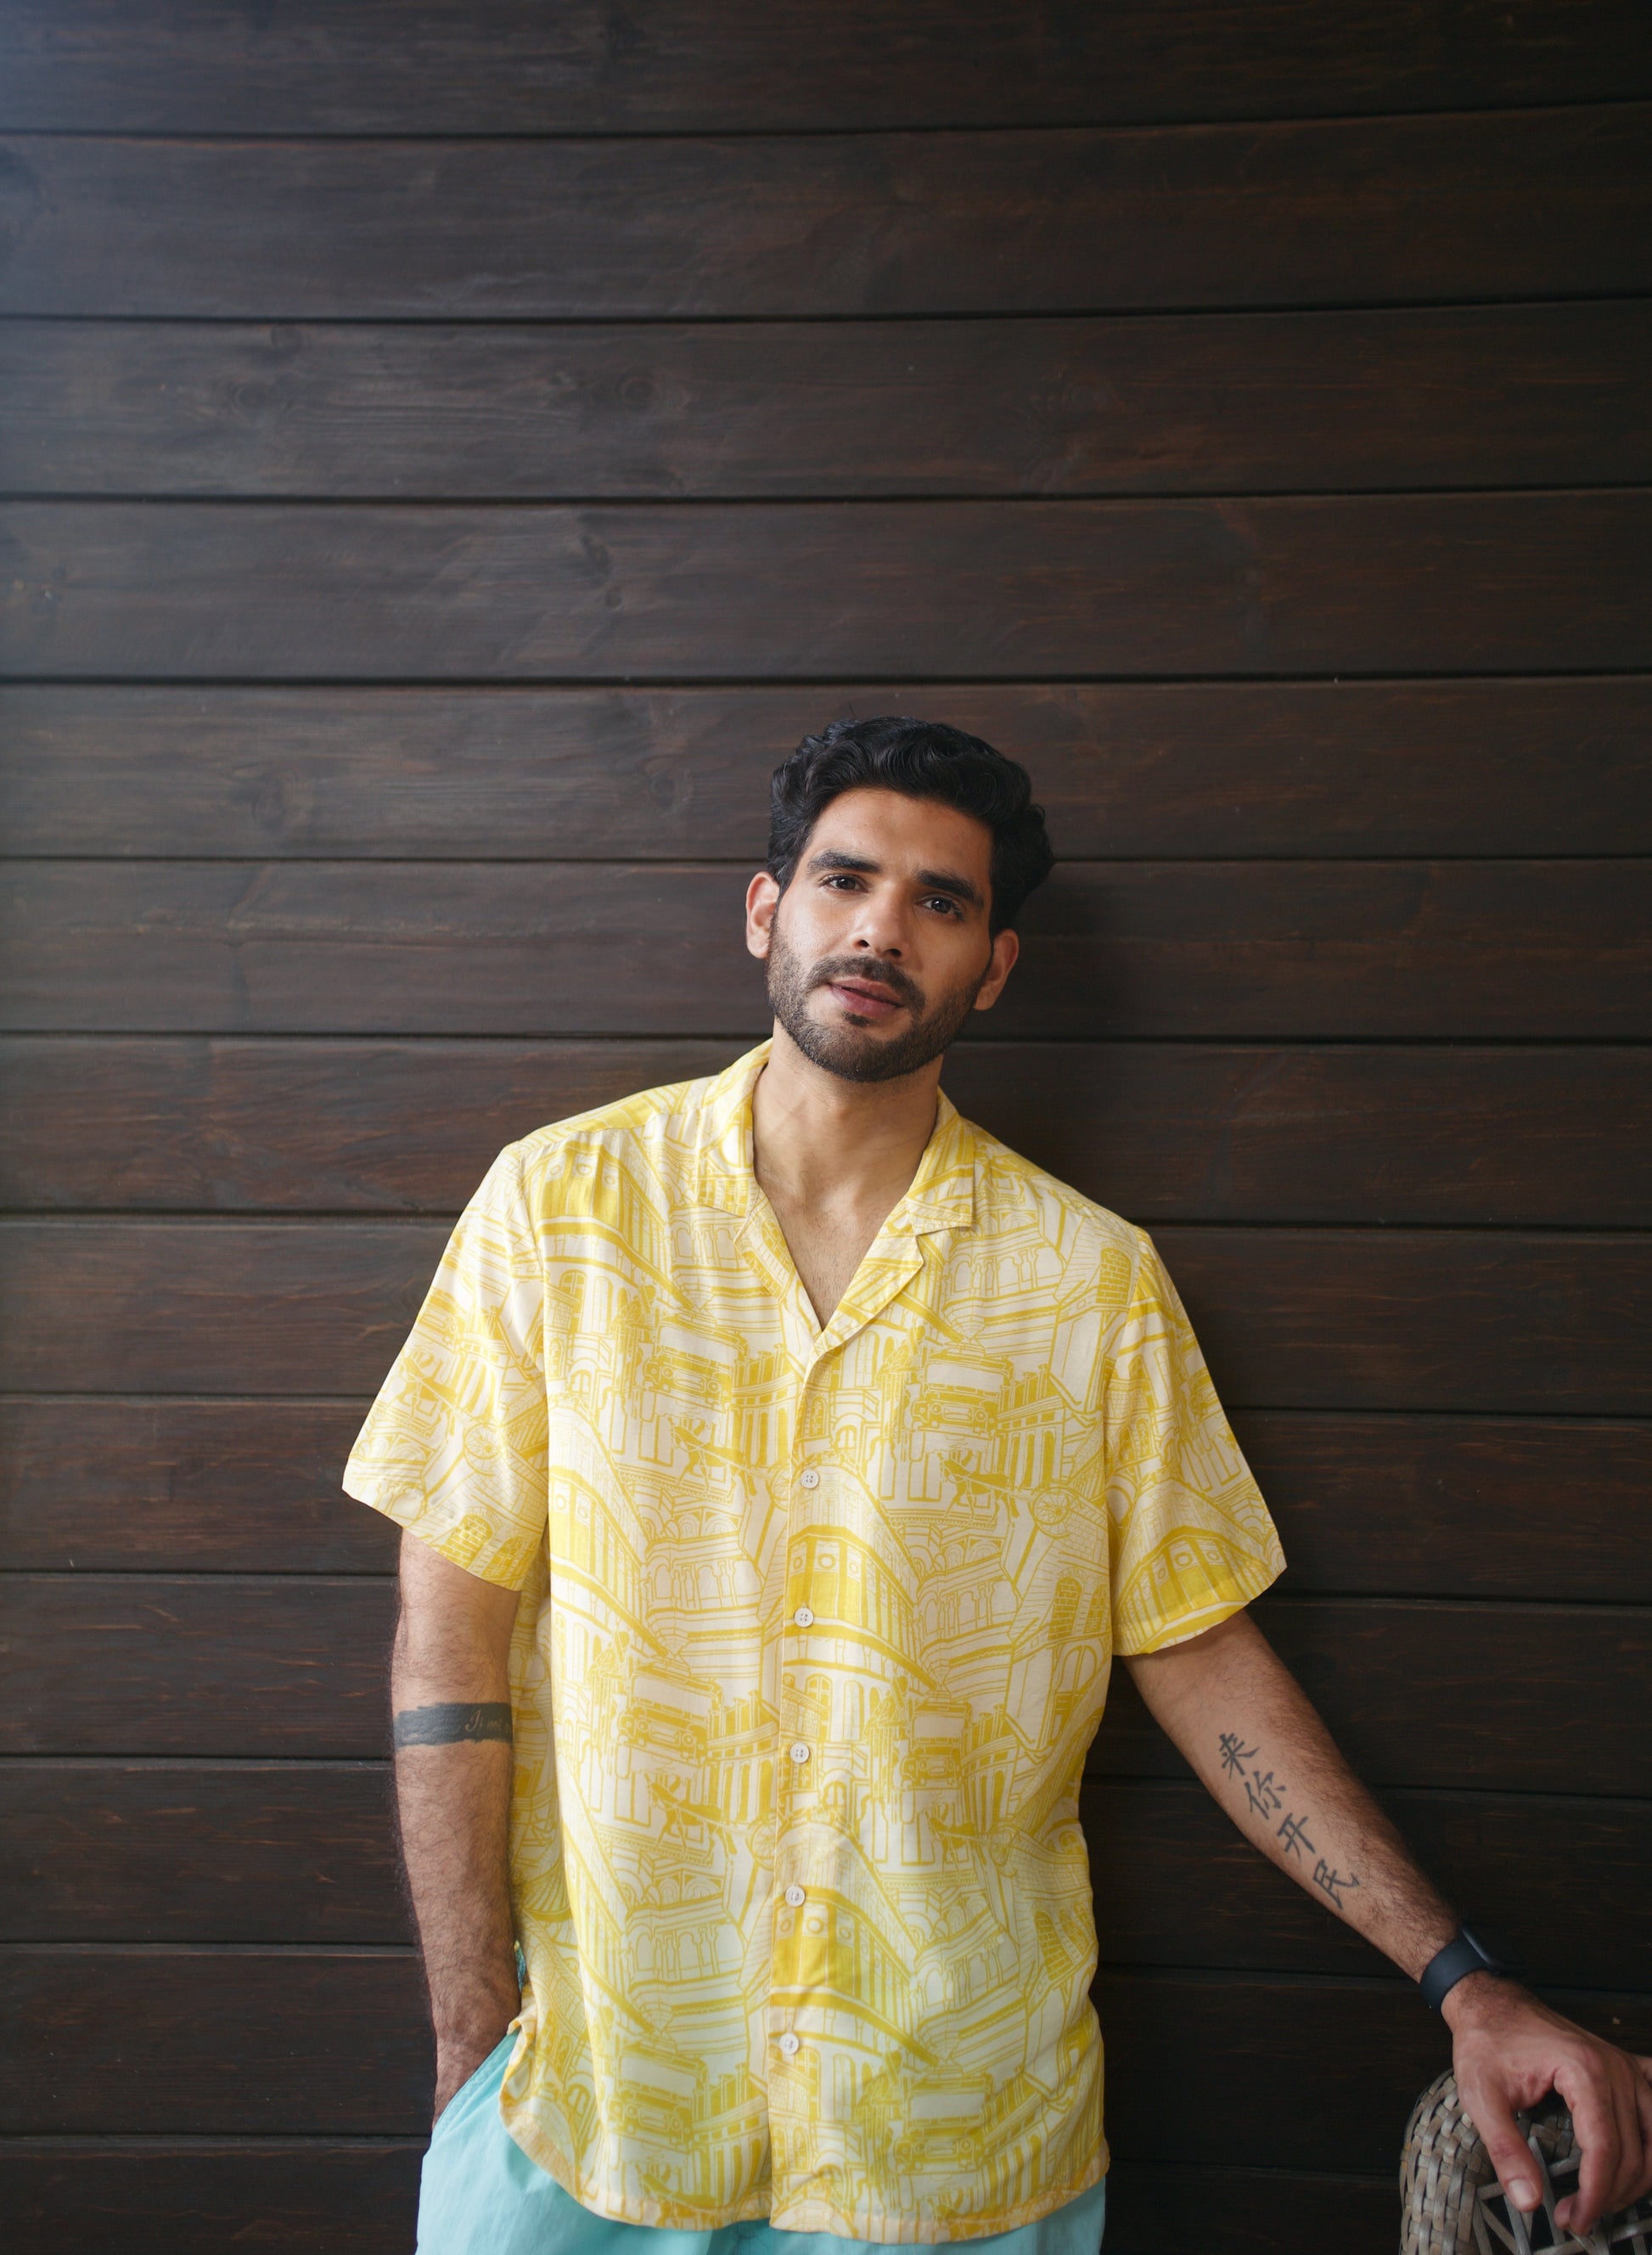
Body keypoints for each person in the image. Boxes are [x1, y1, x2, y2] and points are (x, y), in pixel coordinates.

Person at [344, 717, 1652, 2255]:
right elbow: (450, 1640)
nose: (881, 926)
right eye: (844, 879)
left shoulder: (1087, 1282)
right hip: (582, 2112)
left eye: (940, 903)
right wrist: (466, 2035)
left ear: (995, 966)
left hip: (950, 2143)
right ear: (767, 912)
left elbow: (1195, 1647)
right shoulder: (556, 1210)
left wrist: (1462, 1981)